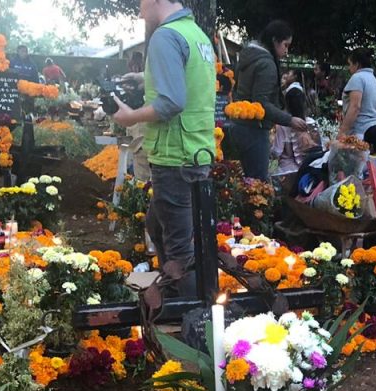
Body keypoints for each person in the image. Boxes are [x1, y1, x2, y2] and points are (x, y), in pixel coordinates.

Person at [111, 0, 215, 297]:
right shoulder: (195, 34)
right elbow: (188, 80)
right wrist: (146, 78)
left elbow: (171, 102)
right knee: (158, 225)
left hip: (174, 155)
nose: (138, 7)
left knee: (179, 249)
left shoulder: (165, 36)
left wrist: (129, 116)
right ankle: (179, 296)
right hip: (195, 151)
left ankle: (193, 314)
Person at [226, 20, 307, 181]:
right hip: (256, 130)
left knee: (241, 183)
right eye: (285, 45)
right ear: (274, 40)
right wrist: (289, 120)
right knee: (257, 185)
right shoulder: (266, 64)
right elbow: (261, 104)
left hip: (237, 126)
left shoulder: (248, 57)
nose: (286, 50)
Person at [337, 48, 376, 140]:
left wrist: (342, 131)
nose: (349, 68)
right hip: (373, 131)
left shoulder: (357, 78)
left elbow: (355, 107)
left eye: (350, 64)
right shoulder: (374, 80)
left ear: (357, 64)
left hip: (358, 133)